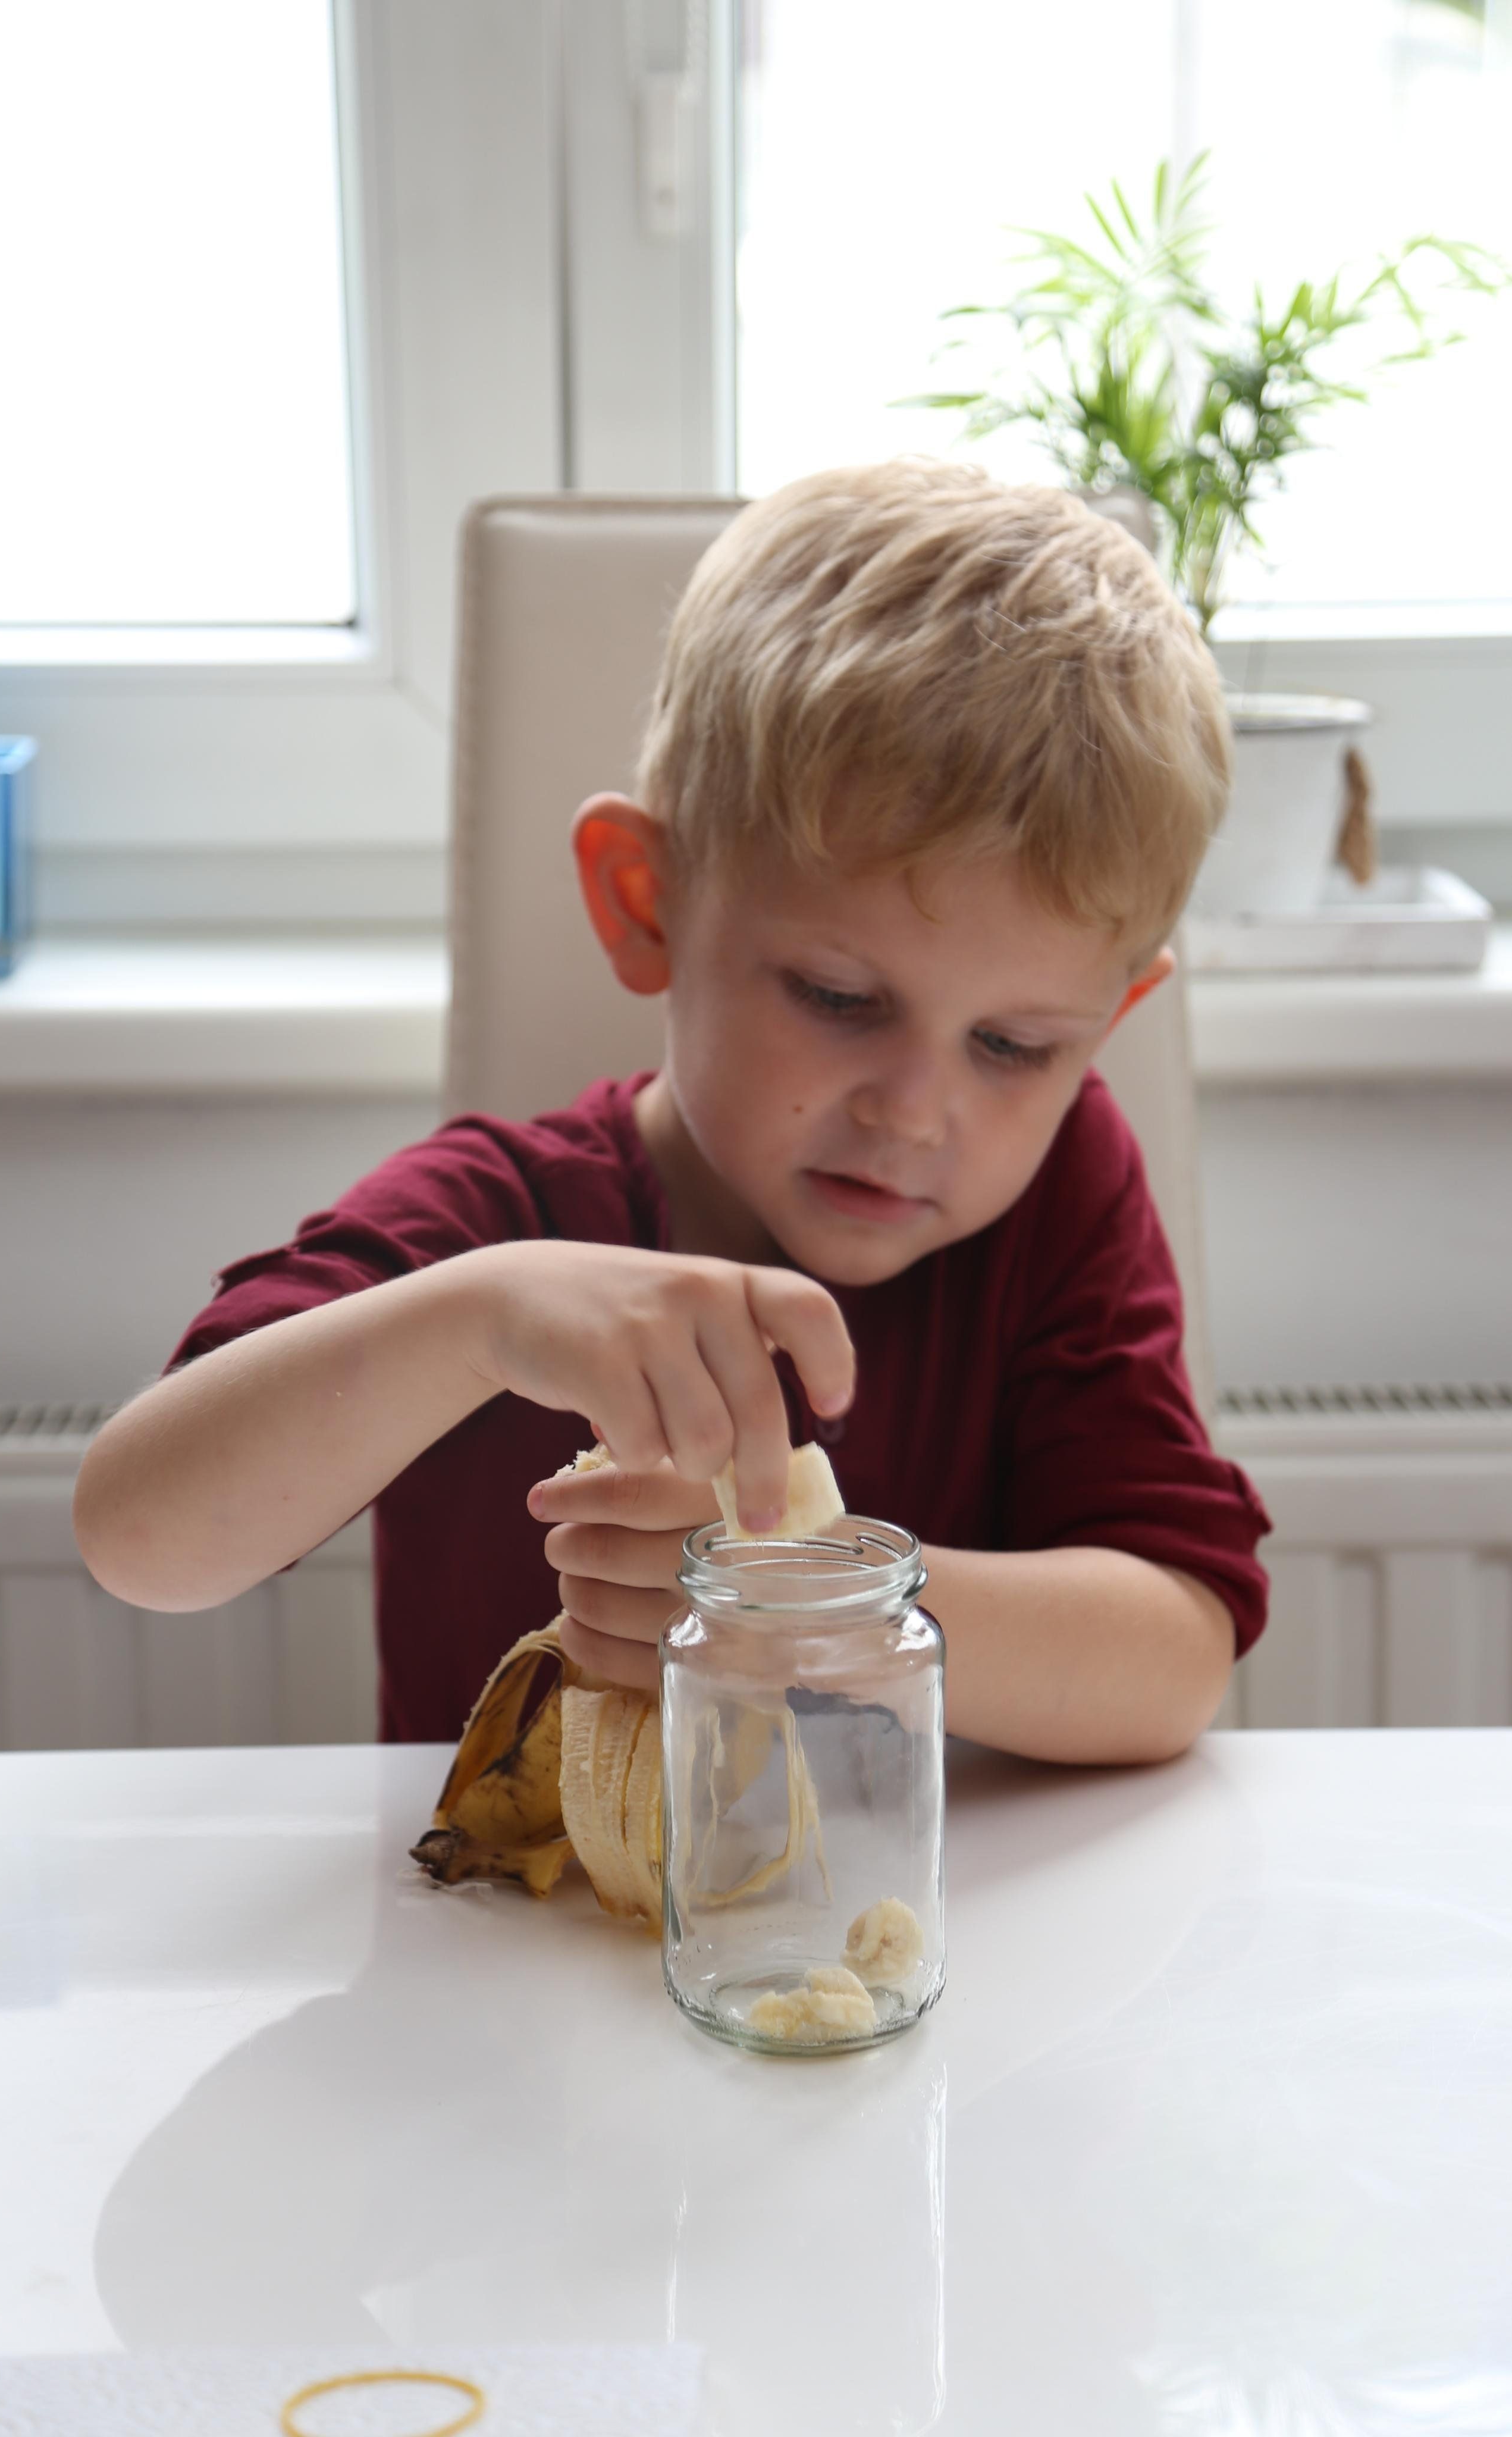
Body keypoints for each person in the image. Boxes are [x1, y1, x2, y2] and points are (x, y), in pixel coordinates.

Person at [74, 461, 1269, 1762]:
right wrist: (479, 1319)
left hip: (915, 1899)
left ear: (1111, 1019)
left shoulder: (1062, 1191)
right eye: (838, 996)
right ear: (646, 902)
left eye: (1013, 1045)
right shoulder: (499, 1227)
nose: (916, 1111)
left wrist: (828, 1601)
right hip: (499, 1895)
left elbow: (1175, 1657)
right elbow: (140, 1537)